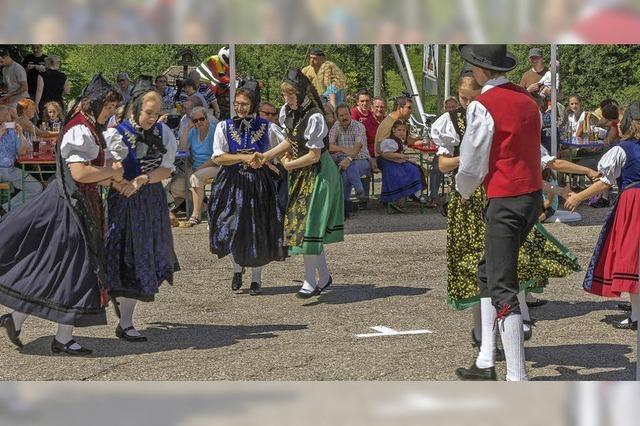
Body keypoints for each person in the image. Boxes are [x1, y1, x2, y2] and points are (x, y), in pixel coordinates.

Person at [432, 67, 582, 359]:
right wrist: (474, 158)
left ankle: (508, 342)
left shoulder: (492, 107)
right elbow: (444, 165)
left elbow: (529, 157)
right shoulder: (454, 120)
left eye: (469, 98)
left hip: (494, 195)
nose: (465, 104)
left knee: (502, 270)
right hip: (472, 201)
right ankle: (486, 341)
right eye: (462, 98)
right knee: (476, 270)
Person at [0, 74, 124, 355]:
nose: (111, 113)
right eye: (108, 107)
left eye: (114, 108)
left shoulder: (89, 128)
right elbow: (79, 173)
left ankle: (17, 318)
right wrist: (112, 172)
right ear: (92, 104)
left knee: (53, 264)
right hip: (69, 205)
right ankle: (63, 337)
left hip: (77, 201)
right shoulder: (79, 129)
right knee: (76, 268)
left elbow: (92, 175)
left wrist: (113, 179)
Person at [454, 45, 543, 381]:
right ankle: (485, 359)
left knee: (502, 284)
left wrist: (462, 192)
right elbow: (534, 146)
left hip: (505, 197)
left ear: (479, 70)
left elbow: (472, 159)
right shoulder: (526, 99)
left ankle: (516, 378)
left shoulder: (482, 106)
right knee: (488, 273)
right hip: (529, 194)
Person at [564, 103, 640, 378]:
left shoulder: (623, 149)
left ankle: (636, 316)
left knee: (631, 256)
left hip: (634, 203)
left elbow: (606, 182)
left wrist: (577, 197)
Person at [259, 68, 344, 298]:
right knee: (304, 225)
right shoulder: (289, 111)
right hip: (300, 170)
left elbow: (314, 155)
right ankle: (323, 276)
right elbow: (290, 139)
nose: (286, 100)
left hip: (319, 173)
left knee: (309, 226)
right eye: (285, 95)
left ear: (302, 93)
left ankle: (310, 280)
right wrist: (267, 156)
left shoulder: (315, 115)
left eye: (290, 95)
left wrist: (289, 166)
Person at [103, 81, 178, 342]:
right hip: (122, 200)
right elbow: (107, 170)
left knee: (142, 256)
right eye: (148, 112)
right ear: (135, 108)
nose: (153, 118)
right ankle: (119, 303)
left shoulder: (164, 133)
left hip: (150, 200)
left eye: (156, 113)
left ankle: (126, 322)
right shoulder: (115, 133)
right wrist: (121, 182)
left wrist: (142, 179)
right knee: (121, 254)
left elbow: (166, 169)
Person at [208, 80, 286, 295]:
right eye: (237, 103)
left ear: (253, 104)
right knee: (232, 226)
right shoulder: (224, 126)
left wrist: (269, 160)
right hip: (232, 183)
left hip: (259, 183)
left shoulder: (267, 126)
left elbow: (286, 145)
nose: (239, 107)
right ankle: (236, 268)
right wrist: (244, 157)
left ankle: (256, 279)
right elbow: (218, 157)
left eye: (243, 104)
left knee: (257, 228)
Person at [179, 106, 219, 226]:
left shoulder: (215, 131)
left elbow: (217, 157)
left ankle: (195, 215)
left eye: (201, 119)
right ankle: (205, 206)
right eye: (195, 121)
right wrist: (187, 128)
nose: (199, 122)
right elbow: (182, 148)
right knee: (176, 188)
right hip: (196, 168)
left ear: (207, 118)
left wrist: (199, 169)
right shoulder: (192, 132)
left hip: (215, 166)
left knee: (195, 178)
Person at [329, 103, 371, 214]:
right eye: (341, 115)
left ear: (350, 114)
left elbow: (357, 148)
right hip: (343, 159)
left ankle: (344, 204)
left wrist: (349, 159)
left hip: (362, 159)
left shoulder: (359, 126)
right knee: (345, 174)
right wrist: (343, 150)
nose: (345, 117)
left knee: (348, 167)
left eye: (346, 114)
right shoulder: (336, 126)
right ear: (337, 117)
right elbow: (329, 146)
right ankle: (359, 191)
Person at [0, 105, 41, 215]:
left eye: (6, 117)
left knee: (36, 188)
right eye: (1, 118)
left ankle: (5, 209)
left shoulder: (12, 132)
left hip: (10, 170)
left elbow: (22, 152)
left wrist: (21, 134)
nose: (5, 120)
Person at [378, 120, 427, 211]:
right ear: (393, 130)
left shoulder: (399, 141)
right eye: (399, 130)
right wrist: (403, 157)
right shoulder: (390, 141)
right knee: (408, 171)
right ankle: (400, 198)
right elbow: (386, 154)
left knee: (416, 169)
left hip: (396, 162)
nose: (401, 132)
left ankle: (409, 196)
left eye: (404, 130)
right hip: (388, 162)